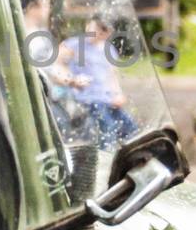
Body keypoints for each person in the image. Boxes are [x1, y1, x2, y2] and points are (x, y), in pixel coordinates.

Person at [58, 15, 138, 147]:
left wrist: (117, 94)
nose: (97, 33)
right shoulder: (75, 45)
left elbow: (112, 76)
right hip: (87, 99)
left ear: (108, 33)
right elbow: (56, 64)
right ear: (88, 25)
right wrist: (72, 79)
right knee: (108, 128)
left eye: (103, 30)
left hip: (106, 99)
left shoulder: (109, 50)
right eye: (95, 27)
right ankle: (107, 153)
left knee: (130, 127)